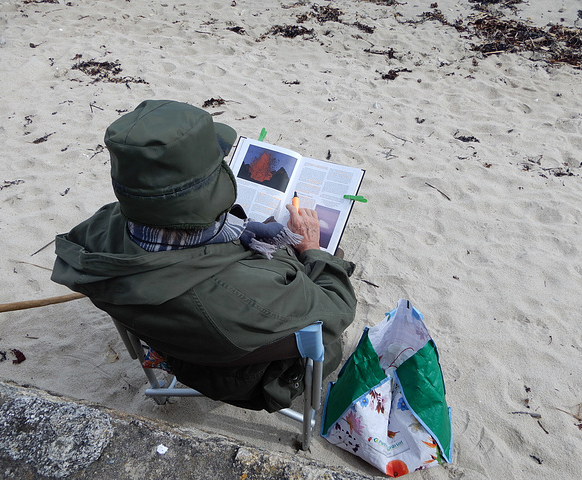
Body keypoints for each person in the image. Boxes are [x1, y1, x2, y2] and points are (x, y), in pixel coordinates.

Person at [51, 100, 357, 412]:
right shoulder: (241, 293)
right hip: (240, 377)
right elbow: (338, 310)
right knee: (330, 268)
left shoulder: (96, 234)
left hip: (174, 343)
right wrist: (312, 250)